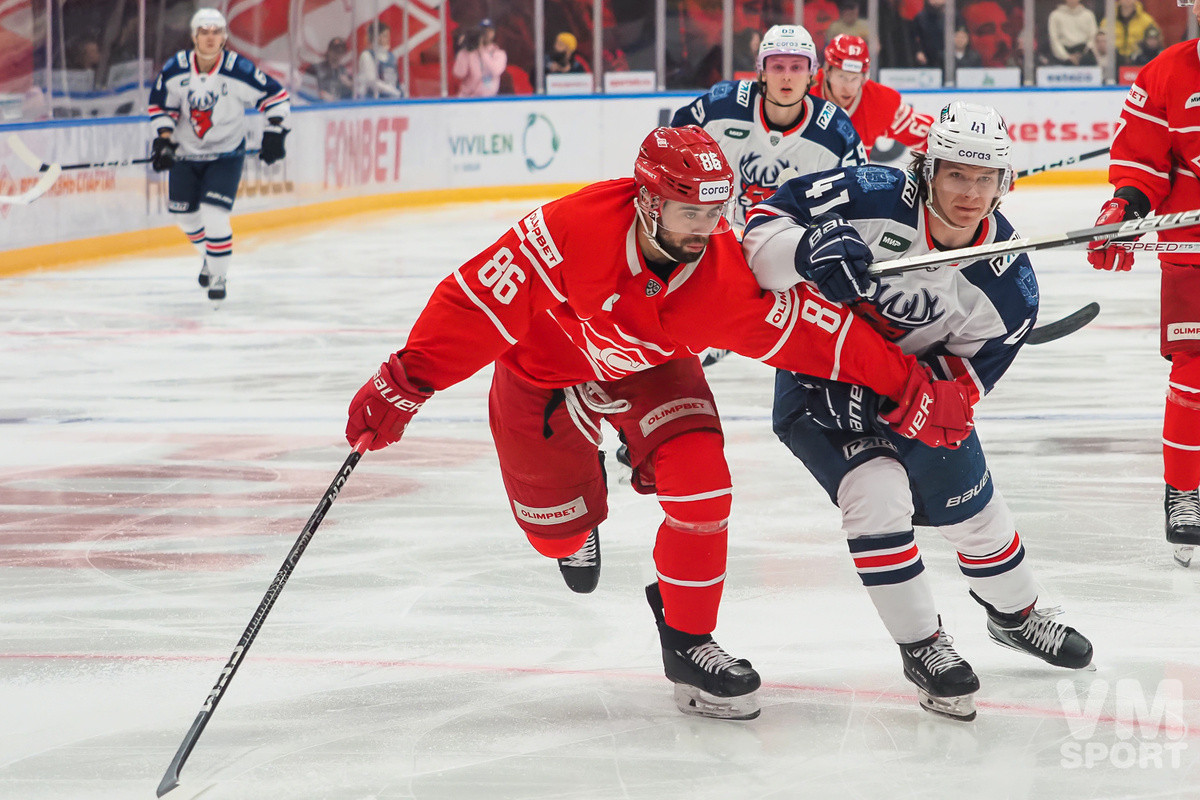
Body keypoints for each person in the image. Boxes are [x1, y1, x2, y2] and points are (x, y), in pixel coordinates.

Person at [343, 125, 974, 721]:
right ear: (648, 202)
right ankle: (577, 472)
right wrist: (403, 382)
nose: (705, 230)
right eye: (689, 214)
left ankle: (688, 644)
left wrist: (914, 388)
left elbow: (827, 339)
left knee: (705, 490)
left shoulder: (725, 279)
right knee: (556, 538)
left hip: (651, 376)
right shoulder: (572, 229)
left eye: (714, 212)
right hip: (541, 376)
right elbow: (475, 302)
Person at [741, 101, 1095, 721]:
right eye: (957, 174)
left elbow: (962, 391)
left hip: (911, 393)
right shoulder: (867, 193)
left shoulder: (1010, 285)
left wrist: (920, 398)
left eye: (985, 179)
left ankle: (1016, 615)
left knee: (977, 512)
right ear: (926, 170)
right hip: (819, 382)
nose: (970, 193)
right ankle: (923, 644)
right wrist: (808, 247)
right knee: (877, 496)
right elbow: (760, 226)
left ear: (1003, 184)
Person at [1085, 0, 1200, 569]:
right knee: (1195, 372)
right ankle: (1185, 490)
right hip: (1193, 251)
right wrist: (1123, 209)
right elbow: (1141, 165)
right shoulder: (1165, 73)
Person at [147, 7, 290, 303]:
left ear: (224, 37)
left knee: (214, 215)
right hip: (186, 154)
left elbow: (275, 97)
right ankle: (211, 258)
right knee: (184, 216)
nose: (210, 38)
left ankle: (219, 277)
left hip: (226, 155)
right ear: (194, 37)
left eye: (216, 33)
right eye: (204, 32)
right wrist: (164, 140)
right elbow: (162, 106)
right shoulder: (176, 69)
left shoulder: (238, 69)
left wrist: (275, 132)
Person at [670, 24, 867, 229]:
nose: (787, 76)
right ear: (762, 71)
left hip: (796, 245)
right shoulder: (722, 105)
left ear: (811, 74)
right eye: (777, 66)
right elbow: (674, 147)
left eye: (797, 67)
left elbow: (860, 198)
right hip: (724, 237)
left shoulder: (836, 129)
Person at [810, 35, 934, 160]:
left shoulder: (879, 102)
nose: (848, 88)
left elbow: (932, 138)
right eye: (842, 77)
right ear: (827, 72)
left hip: (851, 178)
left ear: (863, 78)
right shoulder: (805, 94)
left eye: (854, 79)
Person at [452, 19, 507, 98]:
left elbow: (495, 71)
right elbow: (459, 74)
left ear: (494, 33)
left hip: (488, 99)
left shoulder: (499, 54)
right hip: (467, 98)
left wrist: (482, 51)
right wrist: (464, 49)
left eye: (489, 31)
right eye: (483, 31)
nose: (486, 34)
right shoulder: (468, 52)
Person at [1101, 0, 1158, 66]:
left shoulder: (1146, 21)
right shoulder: (1108, 21)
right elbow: (1100, 41)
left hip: (1139, 61)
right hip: (1114, 62)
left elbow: (1155, 42)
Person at [357, 22, 402, 99]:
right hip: (374, 101)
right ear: (376, 37)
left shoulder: (391, 57)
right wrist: (392, 91)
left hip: (392, 100)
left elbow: (396, 80)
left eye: (388, 36)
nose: (388, 39)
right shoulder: (367, 55)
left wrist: (399, 91)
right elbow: (371, 81)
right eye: (384, 36)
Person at [1047, 0, 1097, 66]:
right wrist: (1066, 56)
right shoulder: (1055, 15)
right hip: (1063, 55)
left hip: (1084, 54)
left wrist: (1084, 53)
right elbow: (1054, 39)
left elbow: (1093, 36)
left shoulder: (1088, 15)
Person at [309, 37, 352, 101]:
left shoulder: (345, 71)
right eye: (335, 51)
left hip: (340, 107)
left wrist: (349, 84)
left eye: (340, 52)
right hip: (318, 106)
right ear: (329, 51)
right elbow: (307, 88)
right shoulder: (315, 69)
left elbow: (353, 94)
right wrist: (320, 94)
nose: (337, 54)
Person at [911, 0, 946, 68]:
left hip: (947, 57)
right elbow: (914, 37)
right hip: (926, 58)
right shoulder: (920, 17)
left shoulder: (953, 17)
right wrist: (919, 51)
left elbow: (960, 36)